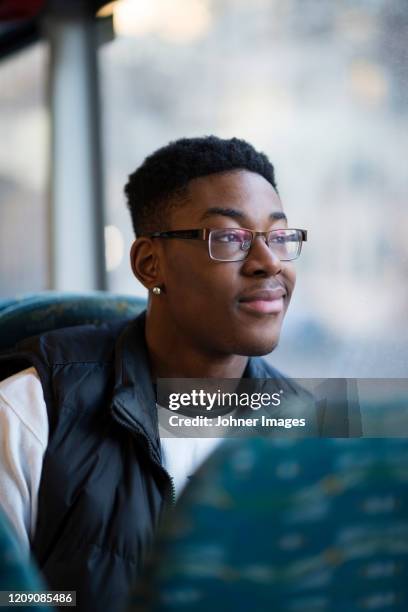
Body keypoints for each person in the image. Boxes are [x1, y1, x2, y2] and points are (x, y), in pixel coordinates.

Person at [0, 136, 308, 611]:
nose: (269, 262)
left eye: (280, 237)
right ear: (149, 264)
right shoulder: (34, 407)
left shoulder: (309, 426)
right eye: (229, 238)